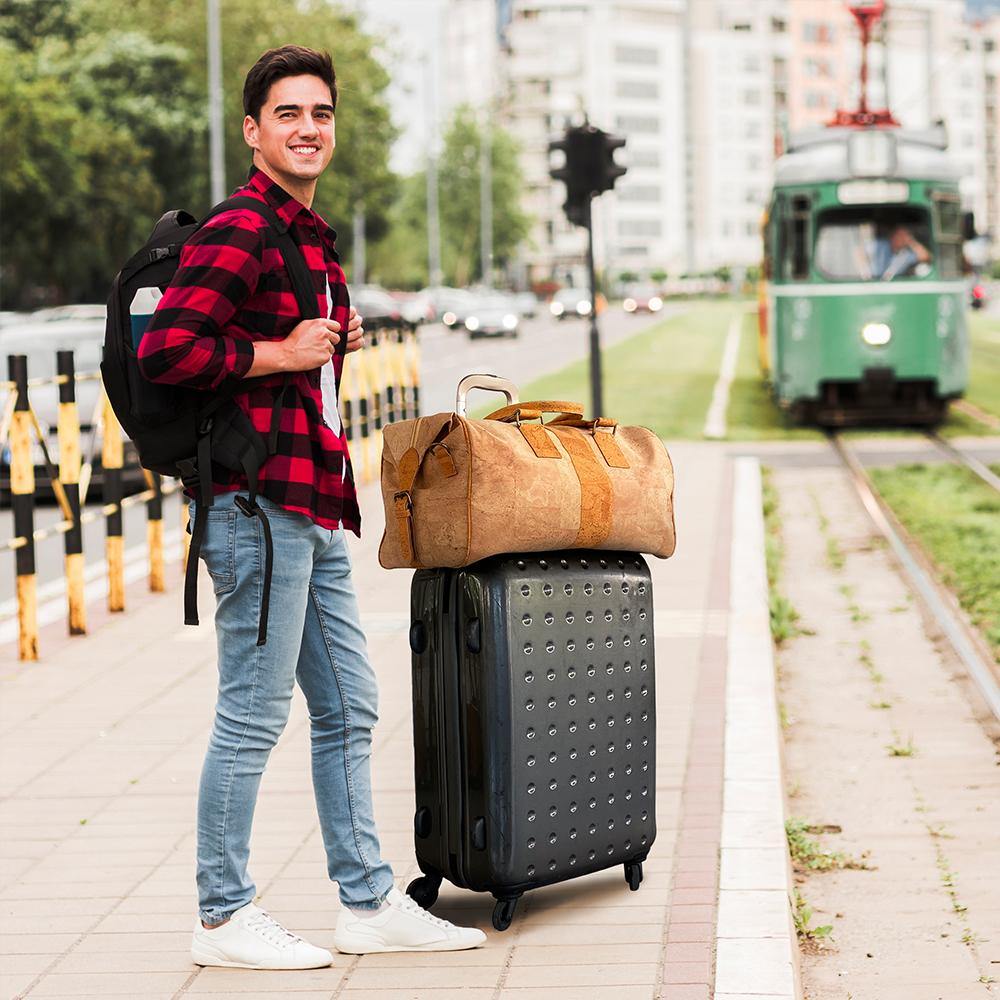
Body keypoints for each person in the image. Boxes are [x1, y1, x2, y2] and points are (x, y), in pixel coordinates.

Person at [138, 45, 486, 970]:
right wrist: (284, 355)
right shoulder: (242, 226)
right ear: (253, 131)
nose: (307, 128)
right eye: (287, 113)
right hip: (256, 510)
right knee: (251, 714)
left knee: (349, 709)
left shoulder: (307, 235)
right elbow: (168, 349)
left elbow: (284, 344)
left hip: (310, 503)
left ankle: (367, 901)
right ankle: (221, 914)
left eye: (321, 113)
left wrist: (325, 342)